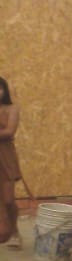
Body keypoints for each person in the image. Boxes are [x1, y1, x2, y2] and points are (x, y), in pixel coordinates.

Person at [0, 76, 21, 249]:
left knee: (8, 200)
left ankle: (14, 231)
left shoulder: (12, 109)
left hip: (5, 157)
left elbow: (9, 131)